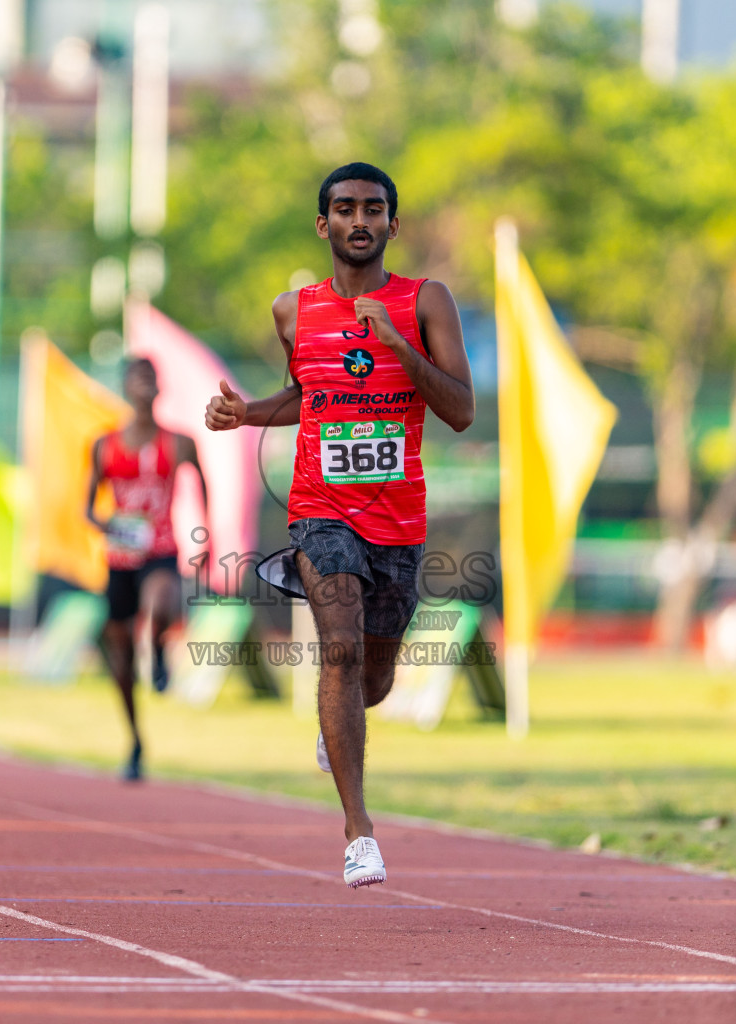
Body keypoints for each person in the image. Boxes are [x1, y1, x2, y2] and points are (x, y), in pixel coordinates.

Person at [204, 162, 474, 887]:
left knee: (373, 679)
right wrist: (246, 413)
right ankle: (359, 830)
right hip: (321, 507)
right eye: (346, 208)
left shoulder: (425, 302)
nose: (361, 220)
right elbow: (309, 395)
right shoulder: (292, 311)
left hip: (399, 516)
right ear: (323, 225)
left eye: (374, 209)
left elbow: (460, 409)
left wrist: (398, 345)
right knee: (341, 648)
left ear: (392, 223)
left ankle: (340, 727)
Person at [86, 358, 206, 781]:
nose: (144, 385)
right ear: (124, 387)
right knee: (118, 652)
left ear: (159, 388)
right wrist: (108, 525)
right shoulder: (105, 446)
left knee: (160, 598)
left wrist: (204, 535)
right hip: (120, 557)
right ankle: (135, 739)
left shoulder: (179, 443)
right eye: (136, 378)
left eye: (151, 378)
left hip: (160, 548)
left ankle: (156, 651)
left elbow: (200, 483)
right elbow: (88, 509)